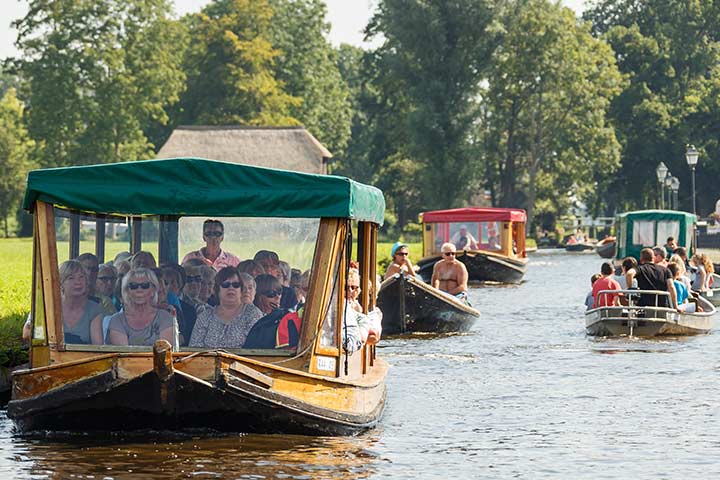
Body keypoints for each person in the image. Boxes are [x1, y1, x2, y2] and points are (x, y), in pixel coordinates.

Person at [189, 267, 263, 348]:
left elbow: (256, 349)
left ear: (241, 289)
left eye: (236, 285)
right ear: (217, 289)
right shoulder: (205, 316)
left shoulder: (252, 313)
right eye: (225, 285)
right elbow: (194, 348)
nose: (231, 288)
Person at [107, 268, 176, 346]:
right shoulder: (117, 320)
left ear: (153, 291)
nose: (139, 290)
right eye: (133, 286)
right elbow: (123, 354)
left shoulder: (165, 317)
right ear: (126, 291)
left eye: (145, 285)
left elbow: (165, 351)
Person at [58, 260, 103, 345]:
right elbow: (27, 333)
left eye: (81, 277)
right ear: (61, 283)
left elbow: (98, 347)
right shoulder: (51, 307)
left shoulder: (94, 309)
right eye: (71, 278)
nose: (78, 282)